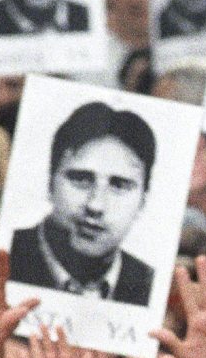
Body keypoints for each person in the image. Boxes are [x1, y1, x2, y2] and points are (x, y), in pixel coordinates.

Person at [9, 99, 157, 304]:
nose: (95, 205)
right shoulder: (5, 257)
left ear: (142, 201)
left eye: (119, 185)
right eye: (81, 179)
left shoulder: (152, 288)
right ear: (50, 183)